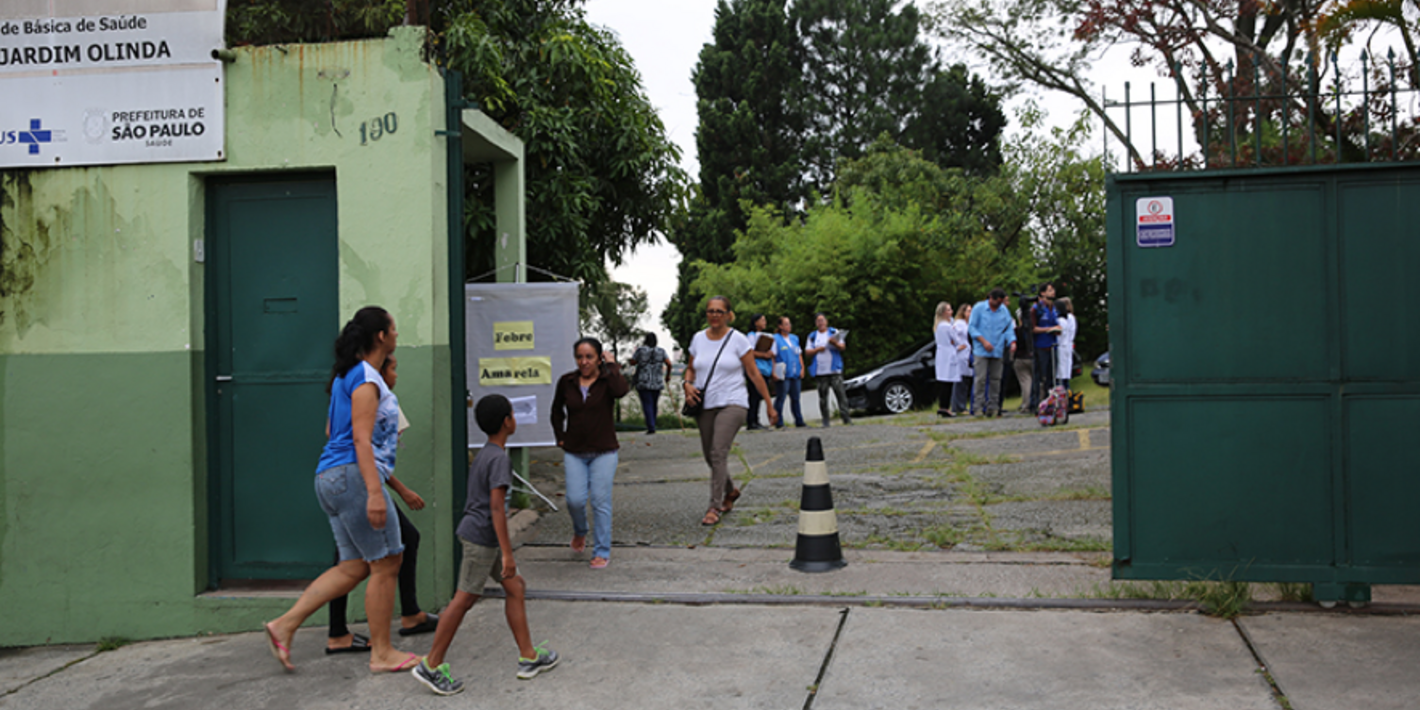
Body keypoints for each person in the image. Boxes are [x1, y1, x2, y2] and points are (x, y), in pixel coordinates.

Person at [263, 306, 419, 674]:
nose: (397, 334)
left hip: (331, 477)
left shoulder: (345, 376)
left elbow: (332, 432)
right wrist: (375, 493)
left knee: (354, 566)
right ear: (381, 336)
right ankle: (382, 653)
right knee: (387, 563)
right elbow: (361, 440)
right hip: (353, 477)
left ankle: (284, 625)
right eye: (393, 328)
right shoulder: (366, 378)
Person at [412, 394, 560, 696]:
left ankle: (529, 656)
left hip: (483, 536)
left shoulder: (486, 453)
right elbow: (496, 508)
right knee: (464, 599)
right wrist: (507, 554)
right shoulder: (499, 460)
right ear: (507, 421)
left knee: (515, 587)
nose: (514, 418)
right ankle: (431, 664)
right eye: (512, 414)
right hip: (481, 539)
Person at [326, 355, 438, 654]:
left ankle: (407, 613)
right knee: (355, 561)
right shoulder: (367, 396)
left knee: (393, 544)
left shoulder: (372, 397)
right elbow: (362, 453)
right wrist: (395, 491)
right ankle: (339, 633)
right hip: (356, 483)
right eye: (393, 368)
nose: (396, 374)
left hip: (354, 480)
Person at [683, 296, 778, 526]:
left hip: (734, 402)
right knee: (710, 455)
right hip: (705, 404)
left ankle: (714, 506)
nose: (714, 315)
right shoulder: (698, 339)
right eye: (710, 311)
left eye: (719, 311)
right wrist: (686, 384)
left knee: (718, 452)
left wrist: (769, 404)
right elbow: (690, 368)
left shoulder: (738, 340)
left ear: (728, 315)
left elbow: (753, 373)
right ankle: (730, 490)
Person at [550, 337, 629, 569]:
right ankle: (580, 530)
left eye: (589, 357)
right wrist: (560, 436)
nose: (584, 362)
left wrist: (612, 365)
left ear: (598, 358)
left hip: (604, 450)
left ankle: (601, 550)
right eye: (580, 357)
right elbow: (556, 411)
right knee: (574, 500)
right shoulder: (567, 381)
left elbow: (621, 391)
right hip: (575, 451)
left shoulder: (607, 380)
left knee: (600, 501)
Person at [968, 289, 1017, 417]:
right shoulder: (979, 308)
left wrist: (1012, 342)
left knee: (996, 379)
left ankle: (993, 407)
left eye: (1000, 303)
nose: (998, 305)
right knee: (981, 379)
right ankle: (978, 407)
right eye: (996, 302)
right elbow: (972, 328)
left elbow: (1008, 328)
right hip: (981, 350)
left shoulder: (1003, 310)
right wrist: (983, 341)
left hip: (997, 350)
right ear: (990, 298)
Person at [805, 312, 851, 427]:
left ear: (826, 321)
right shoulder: (812, 336)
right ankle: (825, 420)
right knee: (823, 397)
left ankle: (846, 418)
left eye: (822, 320)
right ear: (816, 323)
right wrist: (817, 350)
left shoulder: (834, 332)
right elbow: (807, 352)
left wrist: (834, 343)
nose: (820, 323)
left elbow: (842, 347)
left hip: (835, 369)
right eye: (818, 321)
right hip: (820, 371)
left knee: (840, 394)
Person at [630, 333, 672, 434]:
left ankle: (651, 426)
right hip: (657, 381)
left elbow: (633, 362)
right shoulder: (661, 351)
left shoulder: (640, 350)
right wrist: (667, 375)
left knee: (647, 404)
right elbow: (669, 363)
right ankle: (652, 423)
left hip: (643, 381)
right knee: (654, 404)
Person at [1030, 282, 1063, 403]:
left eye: (1053, 290)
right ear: (1043, 293)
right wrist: (1049, 329)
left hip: (1052, 346)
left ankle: (1051, 401)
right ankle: (1034, 402)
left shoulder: (1054, 308)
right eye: (1049, 290)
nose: (1053, 292)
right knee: (1039, 376)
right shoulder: (1036, 308)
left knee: (1052, 376)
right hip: (1040, 346)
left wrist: (1057, 329)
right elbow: (1033, 328)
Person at [772, 315, 807, 429]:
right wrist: (773, 371)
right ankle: (779, 422)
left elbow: (799, 354)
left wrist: (802, 368)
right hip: (783, 372)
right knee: (781, 397)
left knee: (796, 397)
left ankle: (799, 420)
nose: (789, 326)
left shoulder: (794, 338)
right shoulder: (775, 339)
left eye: (789, 323)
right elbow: (772, 356)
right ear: (780, 326)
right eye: (786, 324)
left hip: (795, 371)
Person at [932, 302, 965, 418]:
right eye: (949, 310)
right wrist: (956, 343)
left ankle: (943, 406)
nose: (951, 312)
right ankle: (945, 407)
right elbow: (956, 339)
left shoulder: (938, 326)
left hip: (942, 355)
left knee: (943, 381)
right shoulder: (946, 326)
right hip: (949, 354)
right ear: (944, 313)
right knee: (948, 382)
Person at [745, 314, 775, 430]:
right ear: (755, 322)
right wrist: (763, 355)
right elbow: (749, 352)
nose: (764, 322)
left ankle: (756, 420)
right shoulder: (751, 336)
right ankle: (751, 421)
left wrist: (770, 354)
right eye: (762, 320)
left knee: (759, 396)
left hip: (765, 369)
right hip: (755, 369)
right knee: (754, 395)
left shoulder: (766, 335)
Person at [1013, 300, 1036, 413]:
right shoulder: (1033, 330)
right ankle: (1037, 402)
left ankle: (1026, 404)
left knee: (1025, 382)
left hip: (1020, 358)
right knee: (1037, 381)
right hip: (1032, 356)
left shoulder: (1016, 331)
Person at [951, 304, 974, 414]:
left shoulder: (969, 323)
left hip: (968, 355)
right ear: (963, 312)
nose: (970, 313)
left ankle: (962, 406)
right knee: (960, 382)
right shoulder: (958, 324)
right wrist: (957, 347)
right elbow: (952, 338)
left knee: (965, 381)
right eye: (968, 311)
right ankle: (958, 406)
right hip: (961, 355)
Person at [1055, 297, 1077, 387]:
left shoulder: (1066, 319)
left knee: (1062, 372)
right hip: (1067, 345)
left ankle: (1064, 390)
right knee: (1064, 371)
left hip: (1063, 345)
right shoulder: (1068, 318)